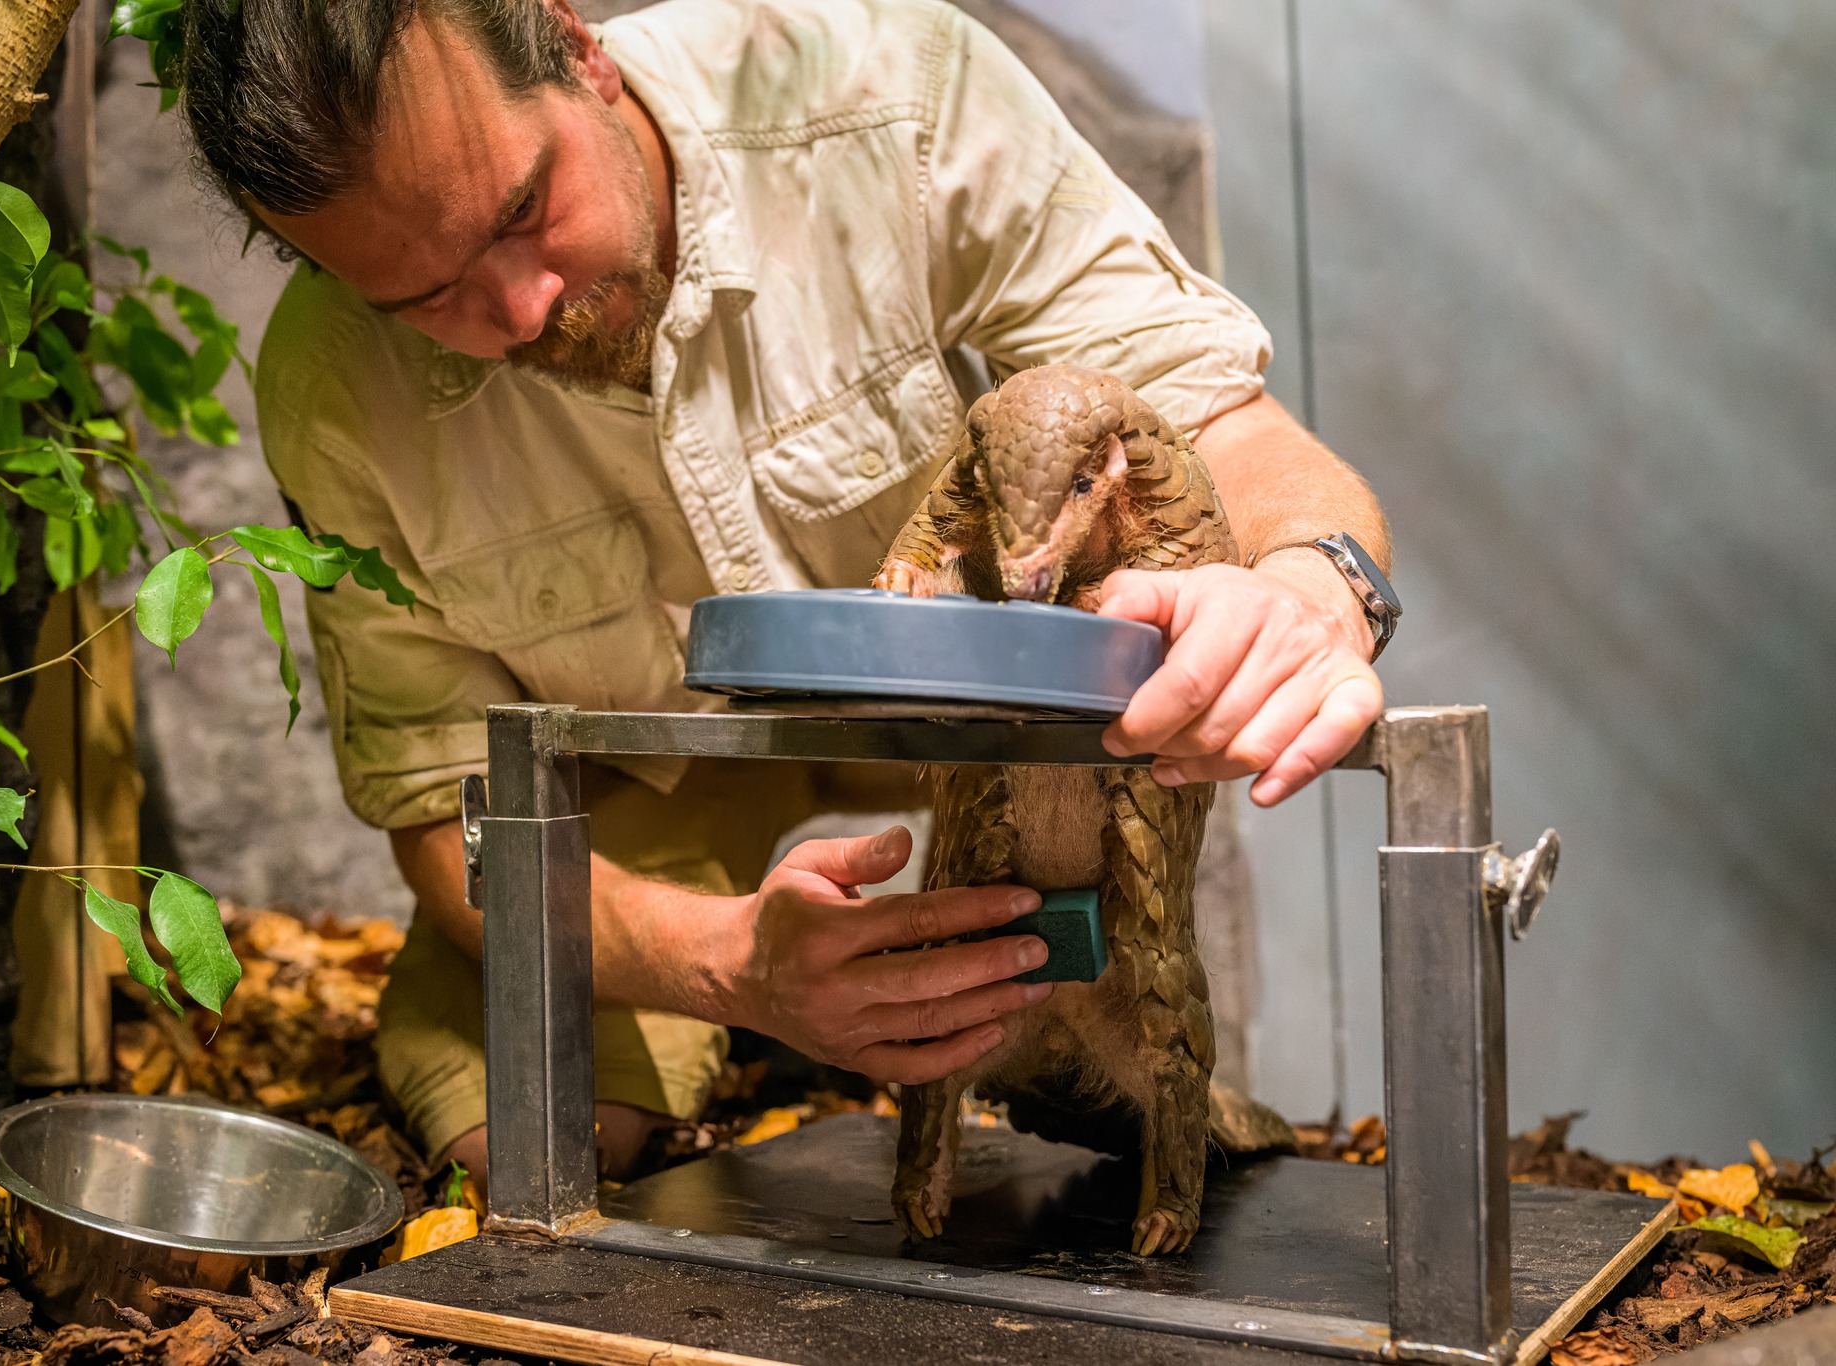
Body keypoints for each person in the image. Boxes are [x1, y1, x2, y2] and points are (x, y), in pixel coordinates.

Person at [177, 0, 1391, 1192]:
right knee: (525, 1139)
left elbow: (1216, 423)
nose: (518, 308)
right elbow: (445, 817)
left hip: (998, 752)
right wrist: (727, 966)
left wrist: (1308, 588)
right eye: (424, 300)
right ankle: (774, 1004)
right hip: (642, 786)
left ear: (577, 49)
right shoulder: (331, 387)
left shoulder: (891, 94)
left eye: (522, 212)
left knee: (1112, 1058)